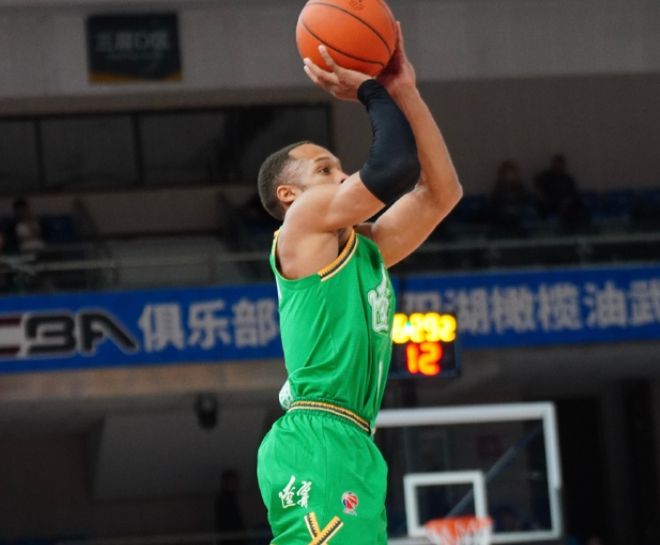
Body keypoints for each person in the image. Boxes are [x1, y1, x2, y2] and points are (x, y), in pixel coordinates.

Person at [256, 24, 462, 545]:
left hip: (354, 440)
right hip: (316, 436)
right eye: (326, 170)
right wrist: (371, 91)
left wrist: (405, 91)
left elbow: (441, 193)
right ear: (289, 194)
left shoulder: (364, 249)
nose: (344, 176)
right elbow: (392, 168)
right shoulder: (301, 223)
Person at [490, 160, 531, 235]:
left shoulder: (519, 186)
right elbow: (495, 200)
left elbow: (524, 199)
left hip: (517, 209)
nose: (509, 175)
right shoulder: (499, 186)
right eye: (506, 173)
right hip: (502, 210)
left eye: (511, 173)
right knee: (504, 214)